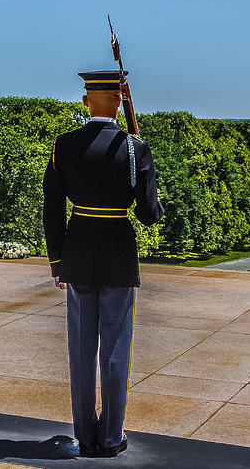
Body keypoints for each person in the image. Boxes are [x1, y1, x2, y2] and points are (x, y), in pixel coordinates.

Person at [42, 70, 164, 458]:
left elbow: (52, 209)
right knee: (114, 349)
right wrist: (155, 201)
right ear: (119, 101)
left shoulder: (64, 145)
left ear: (85, 102)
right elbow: (147, 214)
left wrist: (57, 260)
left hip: (77, 252)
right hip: (117, 253)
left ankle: (86, 435)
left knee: (81, 349)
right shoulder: (134, 149)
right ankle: (111, 438)